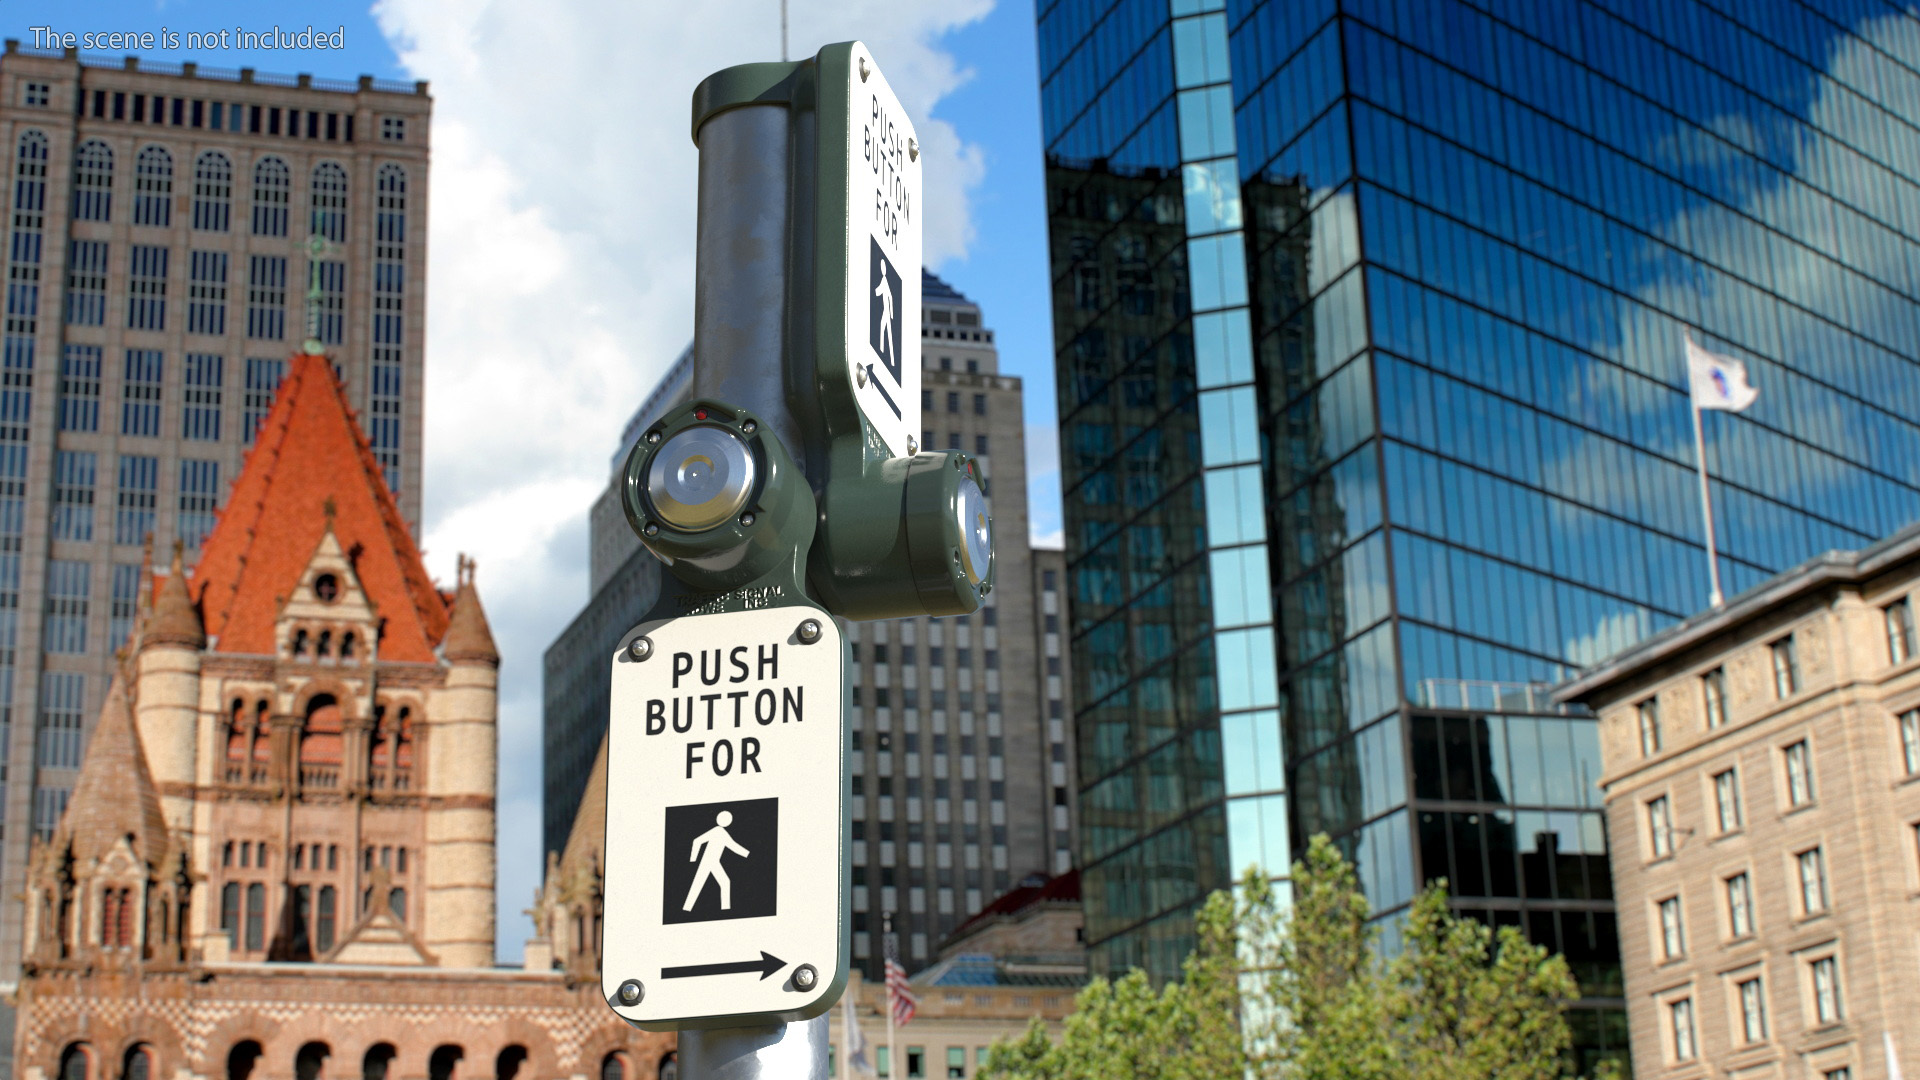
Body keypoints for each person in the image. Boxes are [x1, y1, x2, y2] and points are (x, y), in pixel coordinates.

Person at [684, 810, 750, 911]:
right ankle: (687, 909)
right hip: (707, 861)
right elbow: (697, 841)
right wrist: (693, 859)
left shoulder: (722, 832)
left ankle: (725, 908)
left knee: (724, 882)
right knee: (699, 884)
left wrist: (747, 854)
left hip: (713, 862)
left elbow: (732, 845)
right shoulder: (717, 831)